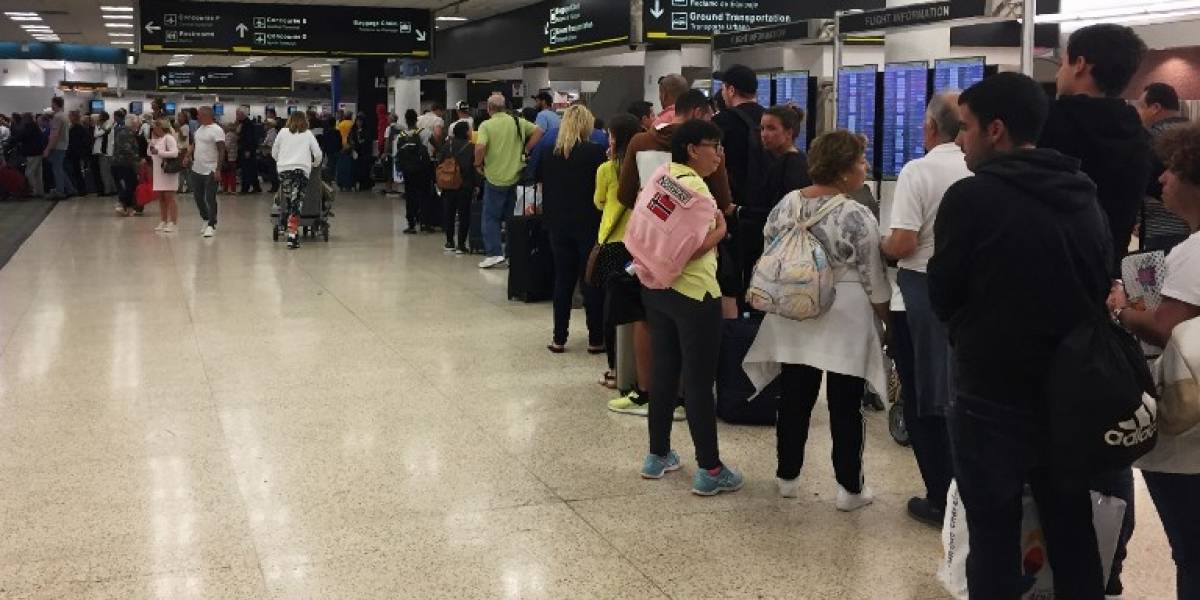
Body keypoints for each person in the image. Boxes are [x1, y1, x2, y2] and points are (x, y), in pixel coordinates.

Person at [928, 72, 1114, 599]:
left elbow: (943, 293)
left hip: (990, 391)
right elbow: (1100, 280)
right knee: (1070, 525)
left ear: (996, 130)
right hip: (1068, 391)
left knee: (992, 532)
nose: (958, 140)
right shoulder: (1083, 194)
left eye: (964, 129)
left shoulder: (972, 198)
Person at [1038, 25, 1149, 595]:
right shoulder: (1135, 130)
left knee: (1045, 440)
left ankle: (1051, 565)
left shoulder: (1054, 126)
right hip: (1104, 296)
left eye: (1060, 61)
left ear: (1080, 65)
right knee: (1106, 433)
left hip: (1045, 302)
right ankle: (1109, 563)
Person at [742, 130, 889, 510]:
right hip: (844, 314)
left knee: (794, 397)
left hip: (793, 310)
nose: (865, 167)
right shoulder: (855, 213)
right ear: (843, 171)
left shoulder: (787, 204)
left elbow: (768, 247)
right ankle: (849, 489)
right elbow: (873, 275)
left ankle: (787, 477)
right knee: (845, 403)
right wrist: (886, 319)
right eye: (859, 161)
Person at [1108, 123, 1200, 600]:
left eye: (1173, 170)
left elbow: (1166, 328)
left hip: (1189, 438)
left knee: (1191, 550)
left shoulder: (1193, 253)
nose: (1162, 179)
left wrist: (1121, 309)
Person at [634, 118, 742, 496]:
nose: (719, 155)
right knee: (698, 381)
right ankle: (710, 469)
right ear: (693, 149)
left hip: (655, 286)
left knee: (665, 372)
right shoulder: (697, 189)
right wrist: (721, 231)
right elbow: (692, 248)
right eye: (714, 146)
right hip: (695, 293)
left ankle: (657, 454)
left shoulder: (662, 175)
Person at [879, 91, 972, 527]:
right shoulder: (979, 166)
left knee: (922, 398)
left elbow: (903, 243)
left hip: (918, 294)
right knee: (961, 392)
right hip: (972, 295)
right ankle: (971, 492)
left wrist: (878, 245)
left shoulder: (919, 170)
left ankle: (942, 496)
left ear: (932, 128)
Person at [608, 90, 733, 413]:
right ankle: (686, 400)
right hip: (694, 265)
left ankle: (646, 392)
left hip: (649, 253)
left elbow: (624, 195)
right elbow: (722, 199)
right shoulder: (705, 153)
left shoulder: (639, 142)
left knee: (647, 321)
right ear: (698, 114)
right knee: (693, 337)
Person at [536, 105, 608, 354]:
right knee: (591, 281)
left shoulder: (548, 152)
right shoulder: (596, 152)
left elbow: (538, 180)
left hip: (557, 224)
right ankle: (595, 339)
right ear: (586, 125)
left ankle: (559, 338)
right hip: (588, 224)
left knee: (563, 280)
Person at [594, 114, 644, 395]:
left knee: (612, 308)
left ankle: (615, 369)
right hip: (640, 244)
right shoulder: (645, 168)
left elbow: (599, 201)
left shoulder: (607, 169)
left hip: (613, 241)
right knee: (637, 309)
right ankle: (637, 369)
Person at [473, 94, 544, 269]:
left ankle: (494, 253)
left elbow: (480, 146)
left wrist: (477, 163)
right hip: (516, 176)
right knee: (513, 218)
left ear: (489, 109)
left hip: (494, 178)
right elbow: (539, 131)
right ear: (505, 107)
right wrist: (526, 149)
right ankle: (513, 254)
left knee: (490, 217)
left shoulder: (486, 125)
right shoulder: (517, 122)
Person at [743, 105, 811, 285]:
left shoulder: (792, 166)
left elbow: (783, 212)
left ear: (789, 133)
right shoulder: (782, 160)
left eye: (772, 128)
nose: (764, 134)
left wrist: (741, 212)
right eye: (762, 128)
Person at [1137, 82, 1193, 252]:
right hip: (1194, 230)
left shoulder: (1149, 141)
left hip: (1162, 231)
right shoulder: (1194, 138)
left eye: (1141, 107)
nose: (1139, 113)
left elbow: (1141, 184)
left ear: (1155, 108)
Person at [272, 111, 323, 249]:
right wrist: (314, 164)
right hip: (301, 171)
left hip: (284, 171)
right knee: (296, 204)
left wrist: (281, 162)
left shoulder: (282, 132)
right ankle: (292, 236)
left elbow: (274, 152)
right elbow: (318, 154)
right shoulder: (307, 134)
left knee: (289, 201)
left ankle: (289, 231)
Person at [436, 121, 477, 254]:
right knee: (464, 215)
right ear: (465, 132)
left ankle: (449, 242)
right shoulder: (471, 147)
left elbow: (440, 162)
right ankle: (461, 245)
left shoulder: (447, 145)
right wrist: (477, 184)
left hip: (448, 184)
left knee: (449, 213)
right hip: (465, 185)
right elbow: (474, 167)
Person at [189, 106, 226, 238]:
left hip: (211, 169)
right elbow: (195, 143)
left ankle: (212, 224)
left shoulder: (217, 130)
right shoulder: (199, 129)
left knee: (210, 197)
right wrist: (188, 155)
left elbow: (222, 150)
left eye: (199, 115)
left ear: (206, 115)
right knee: (198, 197)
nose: (197, 117)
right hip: (197, 168)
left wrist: (218, 169)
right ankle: (205, 218)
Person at [396, 109, 433, 234]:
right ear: (416, 119)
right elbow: (437, 146)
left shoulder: (401, 136)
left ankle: (411, 224)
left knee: (410, 196)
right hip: (423, 170)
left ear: (406, 120)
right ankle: (424, 223)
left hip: (408, 171)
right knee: (424, 195)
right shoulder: (425, 132)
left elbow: (398, 153)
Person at [147, 119, 181, 234]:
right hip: (158, 172)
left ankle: (173, 222)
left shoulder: (169, 138)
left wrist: (159, 153)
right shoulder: (157, 139)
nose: (154, 129)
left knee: (169, 198)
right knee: (161, 198)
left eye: (156, 127)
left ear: (162, 127)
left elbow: (175, 153)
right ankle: (163, 220)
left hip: (168, 172)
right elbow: (149, 153)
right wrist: (152, 143)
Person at [109, 111, 142, 217]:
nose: (138, 124)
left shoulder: (123, 131)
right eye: (137, 123)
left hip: (120, 164)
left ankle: (126, 206)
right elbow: (127, 150)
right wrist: (138, 159)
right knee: (128, 186)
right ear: (132, 123)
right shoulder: (127, 133)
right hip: (124, 165)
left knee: (127, 186)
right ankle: (124, 206)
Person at [17, 112, 44, 197]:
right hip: (38, 152)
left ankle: (33, 190)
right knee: (38, 173)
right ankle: (40, 191)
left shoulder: (28, 127)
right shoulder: (35, 126)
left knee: (29, 173)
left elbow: (20, 137)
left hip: (32, 153)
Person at [63, 109, 88, 197]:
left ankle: (81, 190)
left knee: (77, 172)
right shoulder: (75, 127)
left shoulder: (77, 128)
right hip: (75, 153)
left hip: (75, 154)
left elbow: (76, 142)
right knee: (76, 172)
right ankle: (79, 189)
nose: (69, 118)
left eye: (70, 116)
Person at [91, 111, 115, 196]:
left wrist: (98, 126)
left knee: (105, 172)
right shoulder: (107, 125)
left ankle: (108, 190)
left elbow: (96, 134)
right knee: (109, 172)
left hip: (105, 152)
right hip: (107, 152)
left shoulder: (107, 125)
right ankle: (112, 189)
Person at [174, 110, 192, 194]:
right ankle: (183, 187)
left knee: (184, 170)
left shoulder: (185, 127)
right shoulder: (182, 127)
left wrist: (178, 129)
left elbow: (183, 138)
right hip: (180, 150)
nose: (178, 118)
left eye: (180, 116)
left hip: (184, 151)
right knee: (183, 171)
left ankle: (186, 187)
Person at [261, 118, 280, 193]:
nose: (264, 126)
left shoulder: (272, 133)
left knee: (272, 171)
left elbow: (271, 145)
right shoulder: (270, 133)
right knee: (271, 171)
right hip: (269, 154)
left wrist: (263, 146)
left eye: (265, 124)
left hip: (271, 154)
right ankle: (274, 186)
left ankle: (275, 186)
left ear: (269, 125)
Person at [221, 123, 239, 194]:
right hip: (234, 156)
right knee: (232, 174)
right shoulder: (235, 135)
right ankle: (233, 189)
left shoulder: (228, 135)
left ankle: (225, 189)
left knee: (225, 173)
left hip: (228, 157)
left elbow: (227, 146)